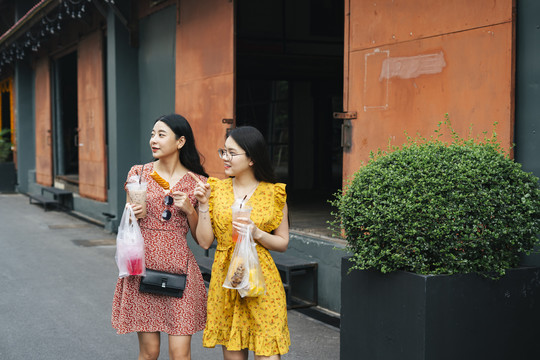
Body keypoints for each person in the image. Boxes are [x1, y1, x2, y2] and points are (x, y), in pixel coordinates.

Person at [112, 114, 208, 360]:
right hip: (141, 269)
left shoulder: (198, 182)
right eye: (152, 134)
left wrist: (190, 211)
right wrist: (133, 213)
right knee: (149, 352)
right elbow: (127, 225)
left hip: (180, 271)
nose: (153, 140)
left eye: (161, 135)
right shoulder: (139, 173)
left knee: (180, 354)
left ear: (180, 141)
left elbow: (203, 240)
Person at [191, 126, 290, 360]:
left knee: (268, 353)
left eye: (232, 153)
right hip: (226, 282)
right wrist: (203, 205)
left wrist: (257, 233)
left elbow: (283, 242)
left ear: (252, 158)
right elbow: (205, 242)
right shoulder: (215, 190)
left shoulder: (273, 193)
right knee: (233, 354)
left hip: (261, 281)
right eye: (223, 151)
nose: (225, 158)